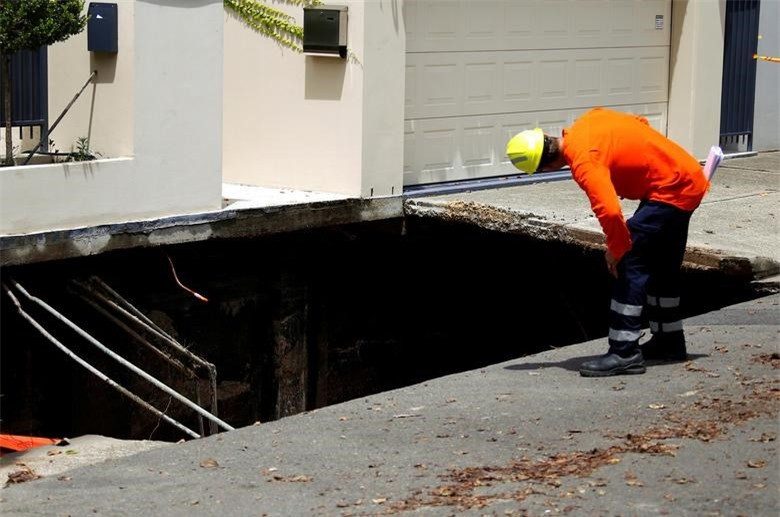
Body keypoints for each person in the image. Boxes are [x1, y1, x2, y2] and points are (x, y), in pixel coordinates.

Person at [506, 107, 709, 377]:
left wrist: (616, 248)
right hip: (684, 178)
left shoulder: (583, 162)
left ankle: (624, 353)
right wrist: (633, 170)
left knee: (630, 263)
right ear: (546, 136)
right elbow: (639, 123)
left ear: (545, 167)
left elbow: (610, 211)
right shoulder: (589, 119)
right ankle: (669, 342)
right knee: (661, 266)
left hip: (670, 190)